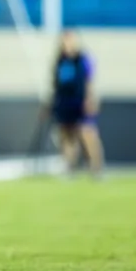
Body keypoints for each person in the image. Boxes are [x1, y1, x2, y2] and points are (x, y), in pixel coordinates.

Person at [49, 31, 104, 178]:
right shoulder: (60, 61)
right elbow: (55, 84)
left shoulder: (83, 59)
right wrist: (51, 103)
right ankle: (69, 167)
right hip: (64, 102)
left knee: (87, 133)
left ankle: (96, 168)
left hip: (80, 101)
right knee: (66, 135)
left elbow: (89, 81)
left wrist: (90, 99)